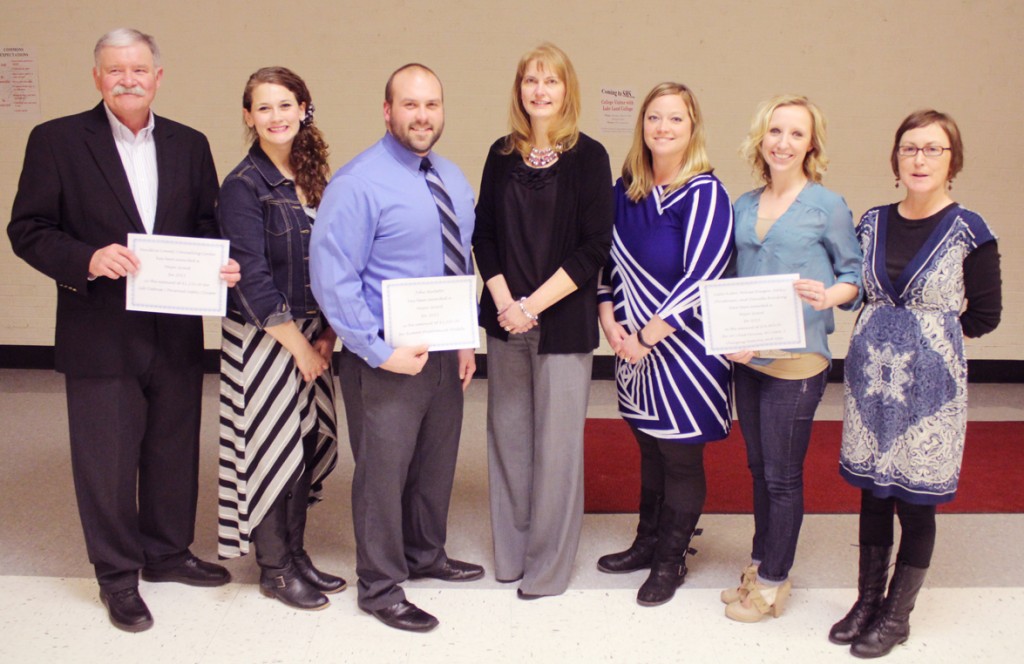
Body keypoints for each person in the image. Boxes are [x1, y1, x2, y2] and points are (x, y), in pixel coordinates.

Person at [7, 28, 239, 633]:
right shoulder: (56, 140)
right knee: (105, 461)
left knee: (171, 448)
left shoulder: (190, 144)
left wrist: (221, 263)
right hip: (99, 329)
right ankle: (117, 576)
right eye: (115, 71)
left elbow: (206, 224)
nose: (128, 79)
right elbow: (27, 228)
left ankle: (165, 554)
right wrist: (85, 258)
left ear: (158, 77)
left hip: (176, 329)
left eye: (139, 70)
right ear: (97, 78)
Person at [309, 63, 482, 633]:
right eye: (410, 105)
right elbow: (333, 278)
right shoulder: (358, 182)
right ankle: (380, 585)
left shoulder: (453, 179)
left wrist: (463, 340)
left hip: (442, 352)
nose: (422, 115)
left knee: (435, 463)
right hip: (384, 358)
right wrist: (377, 350)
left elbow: (458, 263)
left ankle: (425, 554)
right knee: (383, 474)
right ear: (387, 111)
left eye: (431, 104)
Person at [830, 110, 1001, 658]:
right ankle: (866, 602)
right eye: (910, 149)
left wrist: (931, 341)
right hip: (870, 381)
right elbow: (854, 290)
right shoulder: (871, 222)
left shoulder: (970, 230)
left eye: (933, 149)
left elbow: (986, 315)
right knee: (873, 494)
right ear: (895, 159)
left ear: (952, 161)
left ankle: (896, 616)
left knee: (916, 500)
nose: (920, 159)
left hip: (931, 391)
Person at [472, 43, 613, 599]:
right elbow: (483, 234)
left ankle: (547, 570)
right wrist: (508, 304)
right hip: (506, 321)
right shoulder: (500, 154)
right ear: (519, 89)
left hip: (562, 325)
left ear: (567, 90)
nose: (539, 90)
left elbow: (593, 246)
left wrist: (533, 306)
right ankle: (511, 556)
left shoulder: (590, 156)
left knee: (556, 449)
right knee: (508, 441)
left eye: (550, 81)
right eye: (531, 80)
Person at [723, 95, 862, 622]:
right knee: (759, 470)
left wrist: (830, 296)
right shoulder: (742, 205)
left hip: (798, 363)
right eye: (775, 131)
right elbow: (729, 282)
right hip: (749, 360)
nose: (783, 142)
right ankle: (759, 566)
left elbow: (855, 278)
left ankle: (774, 582)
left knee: (783, 476)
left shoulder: (826, 205)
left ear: (811, 145)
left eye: (796, 134)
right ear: (761, 139)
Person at [595, 82, 734, 607]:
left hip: (684, 351)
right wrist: (610, 323)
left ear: (691, 127)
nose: (663, 128)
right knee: (649, 449)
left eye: (675, 119)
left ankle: (671, 559)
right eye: (654, 117)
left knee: (679, 457)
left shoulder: (705, 193)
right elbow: (603, 262)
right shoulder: (625, 188)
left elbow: (704, 277)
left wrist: (647, 336)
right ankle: (647, 542)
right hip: (630, 346)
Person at [216, 67, 343, 611]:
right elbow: (251, 276)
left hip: (314, 335)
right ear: (249, 117)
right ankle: (273, 568)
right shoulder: (242, 185)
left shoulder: (315, 176)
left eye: (285, 105)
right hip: (267, 337)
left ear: (304, 108)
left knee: (306, 442)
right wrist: (299, 348)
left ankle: (295, 552)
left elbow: (337, 260)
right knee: (274, 452)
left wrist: (327, 340)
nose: (276, 116)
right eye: (264, 108)